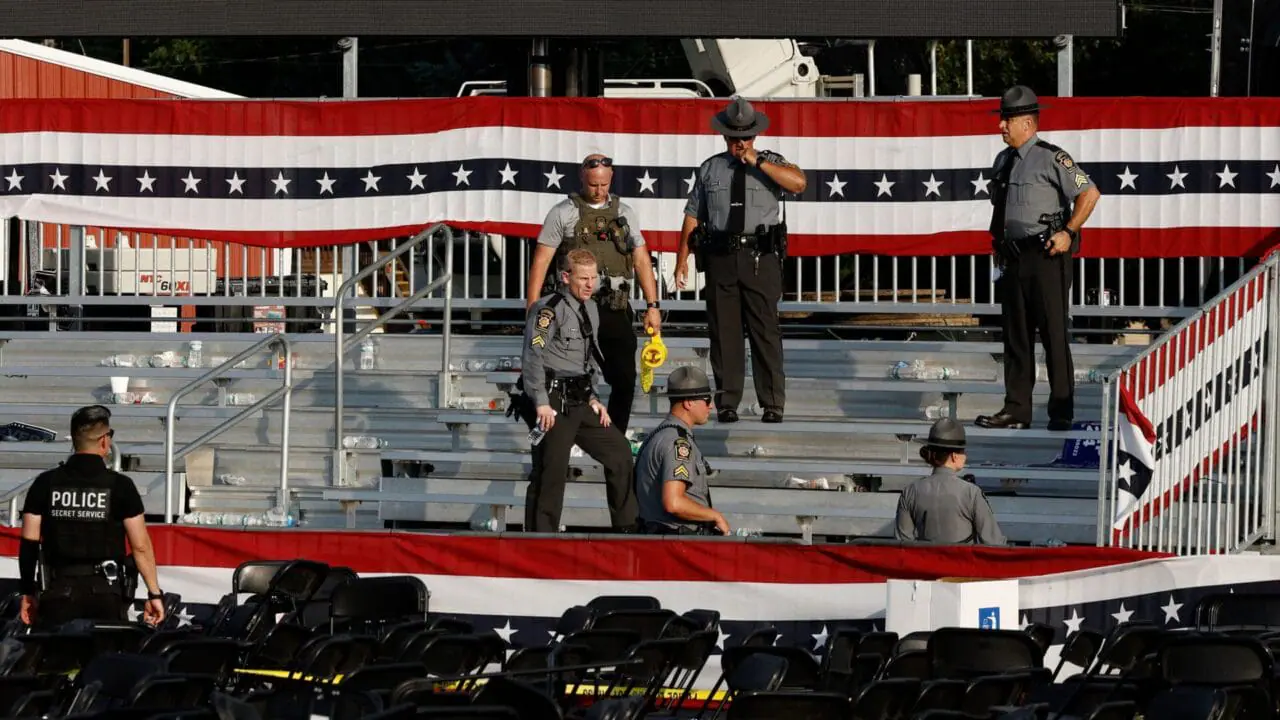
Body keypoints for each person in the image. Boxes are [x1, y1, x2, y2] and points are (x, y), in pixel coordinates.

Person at [674, 97, 807, 425]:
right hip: (720, 256)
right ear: (724, 137)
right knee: (724, 332)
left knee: (765, 332)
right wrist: (682, 260)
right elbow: (693, 216)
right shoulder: (710, 168)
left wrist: (758, 161)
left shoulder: (771, 162)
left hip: (760, 258)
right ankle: (727, 400)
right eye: (734, 138)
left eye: (745, 137)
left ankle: (772, 403)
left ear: (754, 137)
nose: (740, 143)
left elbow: (799, 183)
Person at [976, 85, 1101, 431]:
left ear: (1028, 123)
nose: (1001, 126)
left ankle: (1061, 410)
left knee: (1053, 334)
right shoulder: (1003, 161)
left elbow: (1089, 192)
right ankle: (1017, 408)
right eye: (1002, 119)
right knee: (1016, 336)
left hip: (1046, 255)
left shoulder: (1052, 157)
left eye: (1007, 120)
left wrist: (1069, 232)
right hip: (1013, 257)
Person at [527, 153, 662, 434]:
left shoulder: (625, 213)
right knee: (570, 376)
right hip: (573, 309)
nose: (599, 190)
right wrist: (532, 307)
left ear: (611, 179)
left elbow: (640, 259)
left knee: (625, 379)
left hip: (614, 306)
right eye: (593, 185)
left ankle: (612, 438)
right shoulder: (563, 212)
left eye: (603, 185)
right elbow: (541, 260)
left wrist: (653, 305)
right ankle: (568, 436)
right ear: (582, 179)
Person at [520, 249, 639, 533]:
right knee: (552, 471)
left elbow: (589, 358)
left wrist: (595, 398)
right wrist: (539, 402)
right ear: (565, 277)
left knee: (620, 452)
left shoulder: (592, 308)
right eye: (583, 278)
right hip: (552, 398)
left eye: (594, 277)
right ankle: (540, 540)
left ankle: (627, 529)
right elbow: (532, 357)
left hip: (580, 398)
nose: (590, 284)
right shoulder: (547, 310)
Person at [18, 405, 166, 628]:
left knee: (57, 661)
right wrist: (154, 594)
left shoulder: (45, 483)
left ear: (74, 441)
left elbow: (29, 543)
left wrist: (28, 592)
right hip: (106, 593)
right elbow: (141, 546)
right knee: (104, 661)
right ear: (105, 441)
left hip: (57, 592)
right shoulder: (121, 486)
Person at [633, 366, 729, 536]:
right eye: (707, 400)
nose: (711, 406)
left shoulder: (660, 434)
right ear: (689, 402)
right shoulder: (678, 443)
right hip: (677, 540)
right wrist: (715, 516)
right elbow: (674, 503)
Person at [895, 419, 1006, 545]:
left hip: (925, 563)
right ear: (954, 456)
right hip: (961, 563)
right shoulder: (971, 493)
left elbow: (903, 545)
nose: (965, 455)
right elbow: (994, 543)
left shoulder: (910, 492)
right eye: (963, 451)